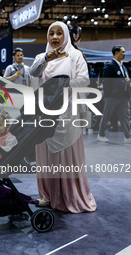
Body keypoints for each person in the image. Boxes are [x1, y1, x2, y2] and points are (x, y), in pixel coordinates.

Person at [29, 21, 97, 213]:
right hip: (45, 114)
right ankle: (48, 195)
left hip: (67, 115)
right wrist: (46, 58)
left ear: (66, 35)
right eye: (52, 33)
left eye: (60, 33)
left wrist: (60, 87)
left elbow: (84, 79)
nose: (55, 37)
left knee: (66, 157)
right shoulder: (41, 57)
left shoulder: (75, 56)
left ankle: (70, 196)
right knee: (46, 156)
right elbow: (33, 72)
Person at [97, 45, 131, 143]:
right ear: (116, 53)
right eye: (123, 52)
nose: (124, 54)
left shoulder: (123, 66)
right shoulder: (110, 65)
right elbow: (106, 81)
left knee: (125, 116)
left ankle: (128, 137)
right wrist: (108, 95)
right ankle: (101, 135)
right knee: (107, 115)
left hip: (123, 96)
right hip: (112, 96)